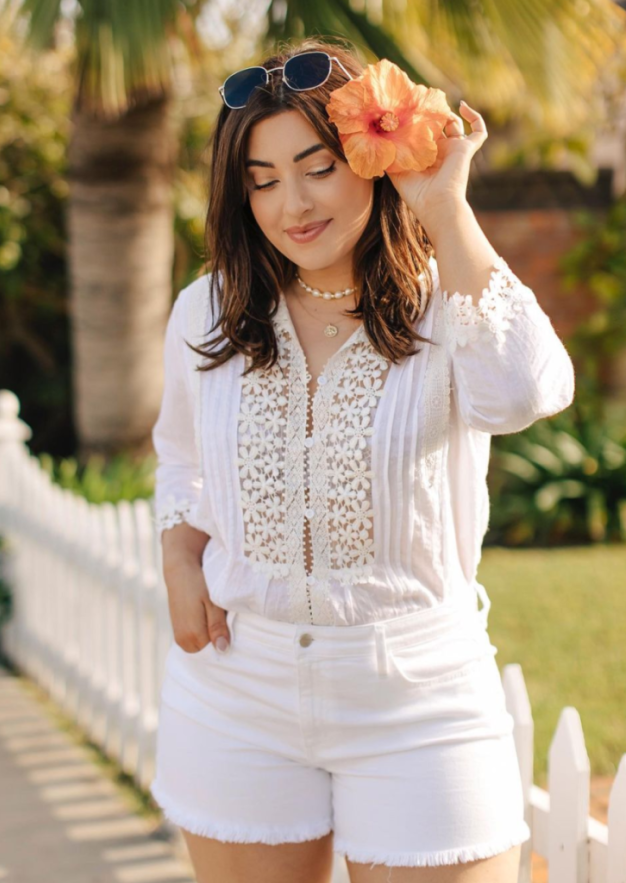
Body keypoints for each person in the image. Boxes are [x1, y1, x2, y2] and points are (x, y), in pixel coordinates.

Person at [149, 37, 575, 883]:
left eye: (316, 168)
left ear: (372, 157)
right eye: (261, 181)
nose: (291, 205)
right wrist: (177, 545)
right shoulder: (209, 309)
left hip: (419, 695)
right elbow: (180, 455)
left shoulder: (444, 302)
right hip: (240, 693)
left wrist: (444, 208)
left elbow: (525, 391)